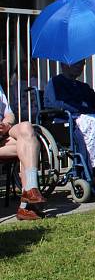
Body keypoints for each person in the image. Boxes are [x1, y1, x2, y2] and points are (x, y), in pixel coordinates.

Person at [0, 85, 46, 220]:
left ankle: (31, 189)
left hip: (3, 137)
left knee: (26, 127)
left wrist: (6, 125)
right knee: (28, 146)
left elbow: (9, 113)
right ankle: (26, 207)